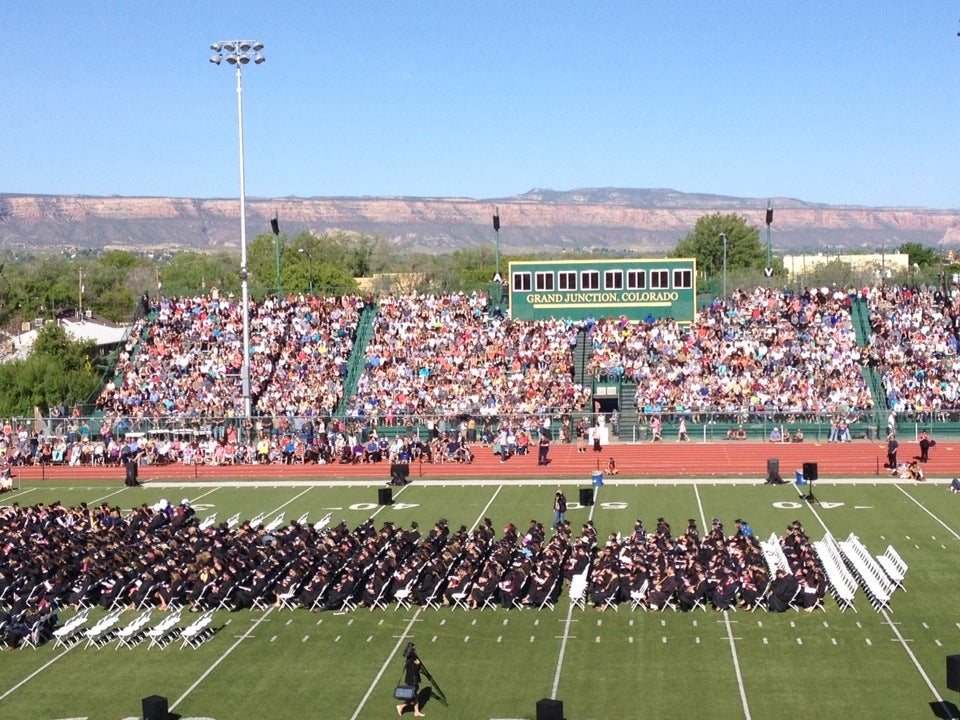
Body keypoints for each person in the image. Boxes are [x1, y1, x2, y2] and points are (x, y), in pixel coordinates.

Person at [396, 646, 425, 717]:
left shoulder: (411, 660)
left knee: (416, 696)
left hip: (413, 680)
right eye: (414, 652)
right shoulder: (410, 662)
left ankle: (416, 711)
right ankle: (401, 706)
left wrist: (418, 664)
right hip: (412, 681)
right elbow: (414, 672)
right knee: (412, 696)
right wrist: (418, 665)